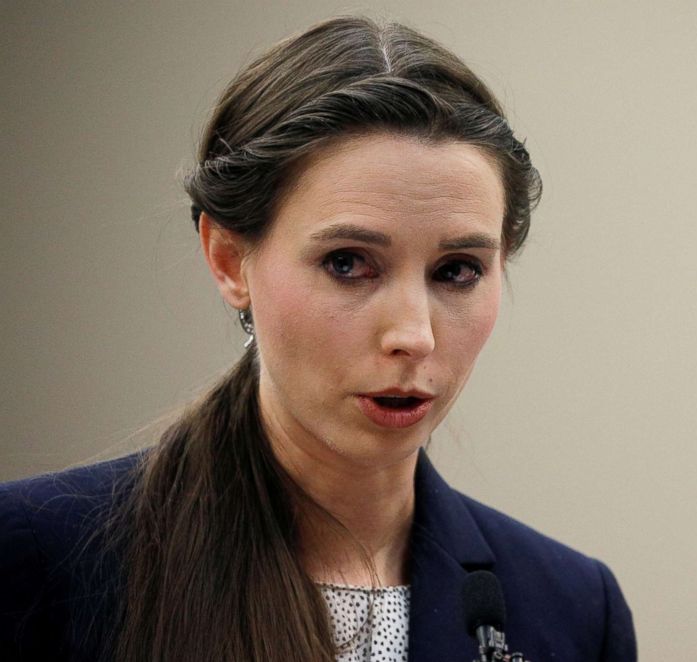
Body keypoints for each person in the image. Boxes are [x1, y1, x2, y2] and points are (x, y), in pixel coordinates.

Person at [0, 15, 636, 662]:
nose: (413, 336)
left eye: (457, 271)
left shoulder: (571, 611)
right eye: (348, 263)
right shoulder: (34, 561)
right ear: (227, 259)